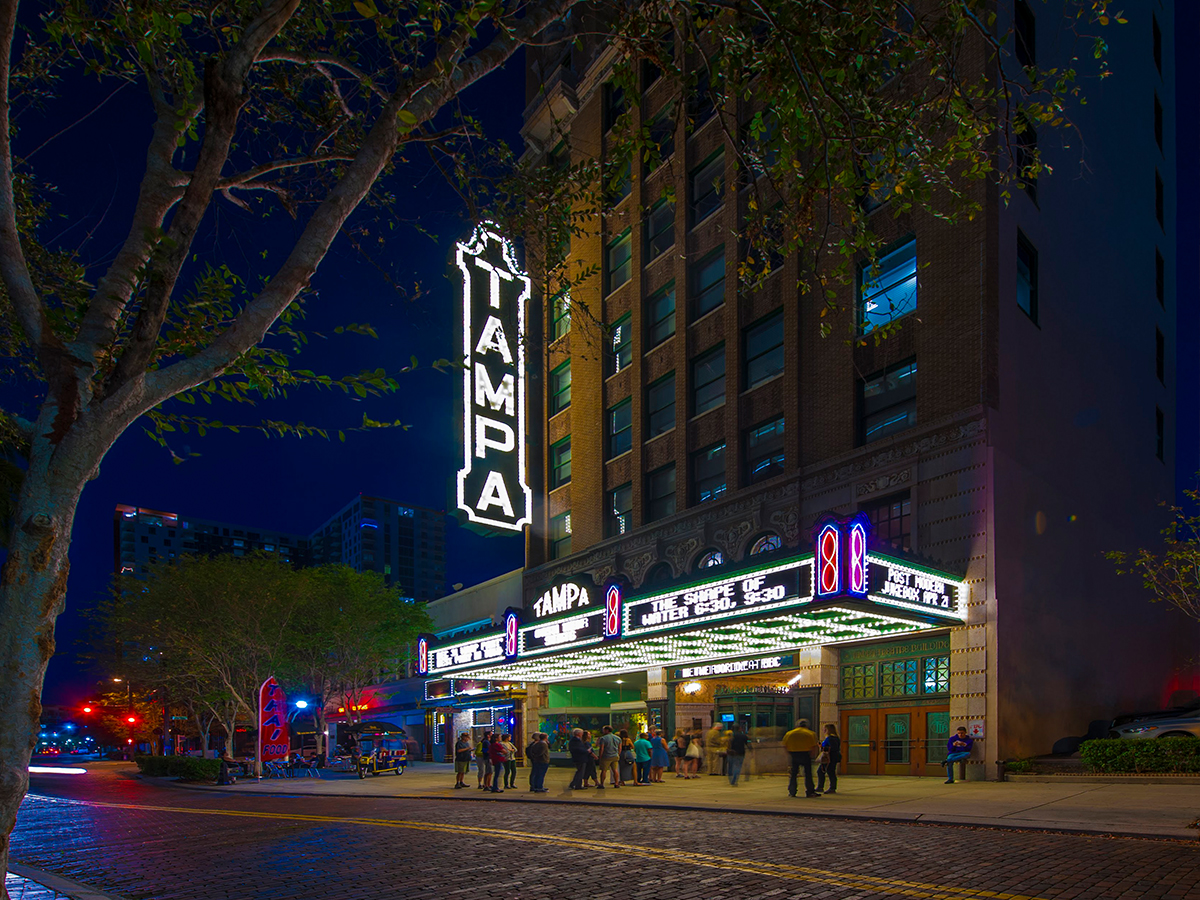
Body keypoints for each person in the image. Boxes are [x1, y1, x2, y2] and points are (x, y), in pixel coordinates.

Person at [783, 718, 821, 798]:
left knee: (793, 774)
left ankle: (792, 791)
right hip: (805, 754)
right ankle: (810, 791)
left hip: (794, 754)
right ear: (807, 726)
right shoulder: (811, 733)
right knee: (808, 774)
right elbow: (814, 747)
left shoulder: (789, 734)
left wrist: (789, 754)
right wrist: (812, 755)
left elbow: (785, 746)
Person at [817, 724, 840, 795]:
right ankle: (827, 787)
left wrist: (822, 747)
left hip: (829, 757)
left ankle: (828, 787)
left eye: (824, 729)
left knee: (826, 771)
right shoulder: (836, 738)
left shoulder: (830, 738)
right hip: (833, 757)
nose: (823, 731)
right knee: (829, 771)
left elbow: (833, 748)